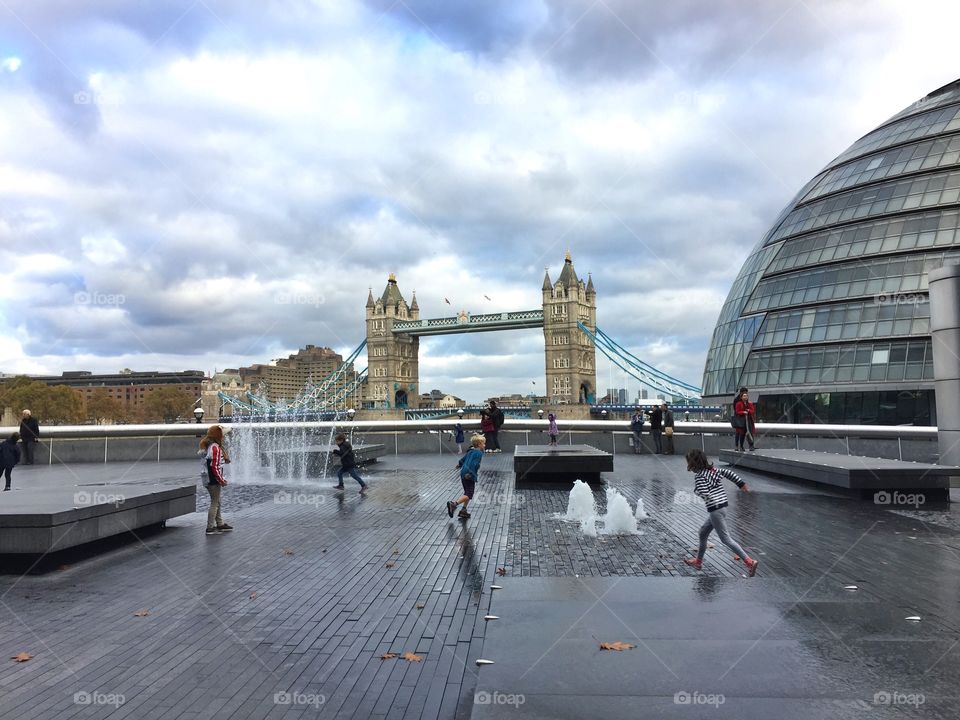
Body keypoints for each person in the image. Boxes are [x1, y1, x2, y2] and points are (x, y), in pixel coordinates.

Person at [683, 449, 758, 576]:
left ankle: (749, 562)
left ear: (693, 463)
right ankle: (698, 561)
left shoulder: (700, 476)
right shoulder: (713, 470)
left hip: (715, 510)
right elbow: (729, 473)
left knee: (725, 539)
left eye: (688, 462)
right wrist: (741, 484)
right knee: (702, 533)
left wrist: (697, 492)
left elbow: (704, 493)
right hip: (722, 507)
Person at [199, 425, 232, 535]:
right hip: (212, 480)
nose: (224, 437)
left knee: (217, 501)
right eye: (223, 435)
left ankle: (219, 523)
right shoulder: (215, 448)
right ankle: (210, 526)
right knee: (215, 503)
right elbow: (214, 466)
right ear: (218, 436)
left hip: (209, 478)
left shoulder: (211, 446)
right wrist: (221, 480)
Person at [447, 434, 484, 520]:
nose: (485, 445)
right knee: (469, 494)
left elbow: (463, 459)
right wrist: (470, 474)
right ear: (479, 444)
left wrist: (459, 464)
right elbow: (474, 464)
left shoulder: (471, 451)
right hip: (469, 475)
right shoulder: (478, 453)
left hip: (463, 473)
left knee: (467, 493)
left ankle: (463, 510)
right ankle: (453, 504)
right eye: (483, 444)